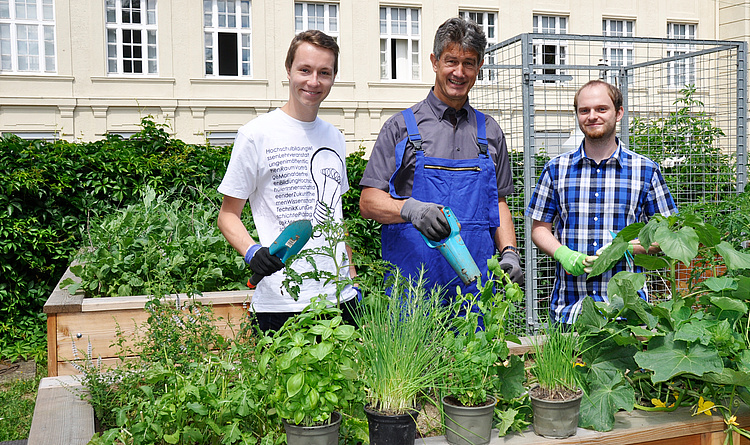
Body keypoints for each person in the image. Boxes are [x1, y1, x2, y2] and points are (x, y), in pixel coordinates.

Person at [359, 17, 523, 302]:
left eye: (469, 63)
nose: (459, 72)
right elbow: (368, 201)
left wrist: (509, 251)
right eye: (451, 61)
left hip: (475, 289)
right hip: (413, 291)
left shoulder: (490, 132)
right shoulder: (400, 128)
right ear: (434, 62)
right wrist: (412, 210)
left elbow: (498, 203)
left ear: (479, 67)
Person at [217, 30, 357, 333]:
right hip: (281, 303)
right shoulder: (256, 134)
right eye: (304, 70)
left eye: (324, 72)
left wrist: (352, 280)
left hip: (340, 298)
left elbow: (337, 215)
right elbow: (228, 215)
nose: (313, 81)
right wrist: (253, 252)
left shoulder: (335, 137)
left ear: (333, 77)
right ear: (288, 69)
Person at [526, 80, 678, 324]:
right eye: (584, 110)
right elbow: (539, 228)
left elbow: (669, 234)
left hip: (627, 311)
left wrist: (627, 248)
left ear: (618, 113)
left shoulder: (645, 170)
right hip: (570, 310)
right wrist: (563, 254)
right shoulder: (556, 169)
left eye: (601, 109)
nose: (592, 116)